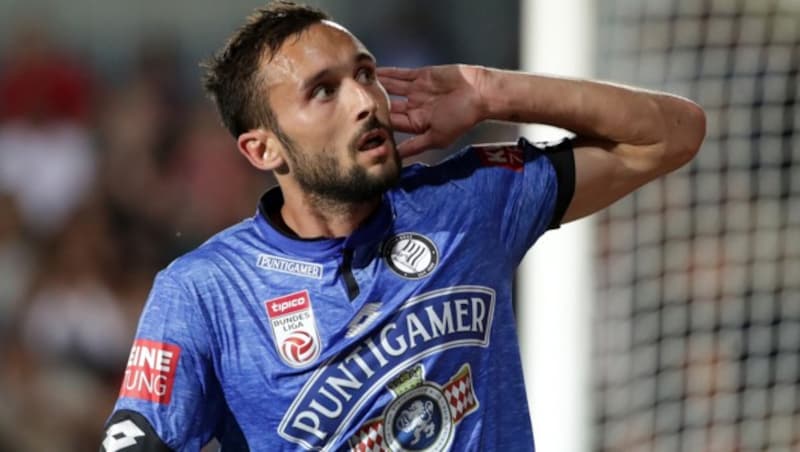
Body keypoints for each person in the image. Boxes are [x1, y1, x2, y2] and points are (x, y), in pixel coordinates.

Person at [99, 2, 706, 451]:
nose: (366, 101)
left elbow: (671, 135)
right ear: (263, 151)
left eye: (365, 73)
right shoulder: (204, 291)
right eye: (324, 92)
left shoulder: (469, 203)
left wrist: (490, 90)